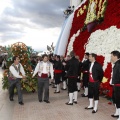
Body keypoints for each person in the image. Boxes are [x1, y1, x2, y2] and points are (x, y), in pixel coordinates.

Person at [110, 51, 120, 119]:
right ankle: (117, 113)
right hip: (115, 85)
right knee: (116, 99)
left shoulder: (119, 64)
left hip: (118, 85)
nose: (111, 57)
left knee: (119, 100)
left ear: (115, 56)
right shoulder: (116, 63)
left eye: (111, 56)